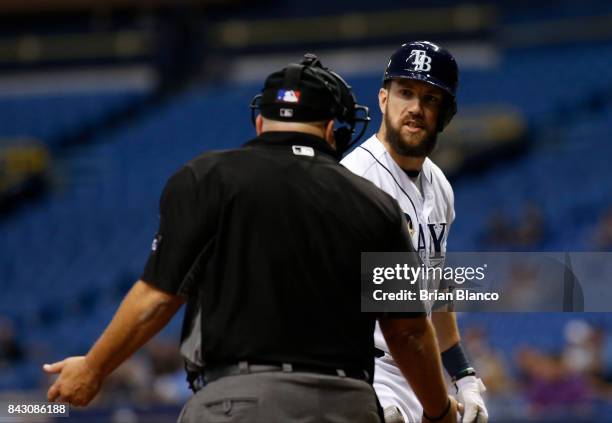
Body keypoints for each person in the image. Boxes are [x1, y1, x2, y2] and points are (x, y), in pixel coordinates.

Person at [43, 54, 459, 422]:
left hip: (236, 401)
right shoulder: (374, 202)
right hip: (345, 404)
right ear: (333, 128)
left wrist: (94, 367)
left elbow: (157, 299)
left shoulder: (205, 179)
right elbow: (409, 331)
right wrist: (439, 411)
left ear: (260, 121)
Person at [341, 41, 489, 423]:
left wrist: (463, 374)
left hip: (415, 371)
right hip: (361, 369)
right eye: (405, 93)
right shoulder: (354, 179)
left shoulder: (439, 186)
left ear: (446, 113)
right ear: (383, 98)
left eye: (430, 98)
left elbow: (435, 286)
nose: (416, 108)